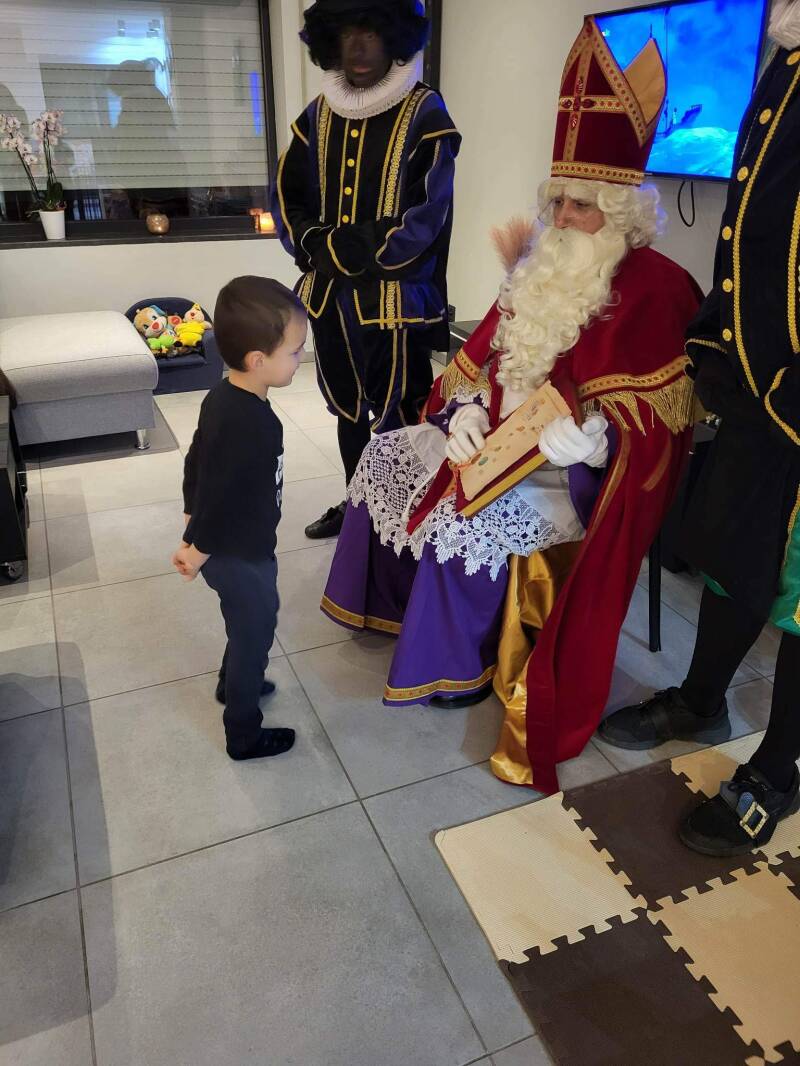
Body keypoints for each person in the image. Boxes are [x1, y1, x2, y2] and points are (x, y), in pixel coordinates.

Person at [321, 16, 703, 795]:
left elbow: (662, 436)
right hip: (495, 437)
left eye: (580, 207)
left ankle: (456, 669)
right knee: (388, 453)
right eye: (557, 202)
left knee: (465, 516)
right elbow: (478, 361)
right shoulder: (540, 262)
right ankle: (387, 606)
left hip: (571, 476)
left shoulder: (659, 290)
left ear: (621, 213)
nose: (560, 221)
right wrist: (460, 413)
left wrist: (596, 449)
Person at [599, 0, 800, 856]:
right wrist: (719, 338)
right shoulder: (787, 58)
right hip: (760, 384)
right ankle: (701, 699)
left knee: (799, 590)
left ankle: (780, 770)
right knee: (732, 550)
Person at [272, 0, 460, 540]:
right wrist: (314, 243)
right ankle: (359, 509)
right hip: (331, 300)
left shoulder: (425, 113)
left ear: (395, 37)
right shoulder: (316, 115)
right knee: (347, 410)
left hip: (395, 301)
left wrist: (343, 249)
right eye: (348, 33)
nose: (358, 47)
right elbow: (287, 197)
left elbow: (426, 215)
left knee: (401, 413)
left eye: (373, 32)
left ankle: (403, 519)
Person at [172, 276, 306, 761]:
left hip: (231, 543)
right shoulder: (252, 424)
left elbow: (197, 459)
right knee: (255, 631)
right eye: (294, 351)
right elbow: (224, 496)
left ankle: (231, 683)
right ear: (257, 360)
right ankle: (244, 733)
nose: (300, 359)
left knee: (244, 620)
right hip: (237, 552)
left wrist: (190, 514)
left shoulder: (222, 397)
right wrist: (197, 548)